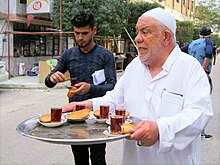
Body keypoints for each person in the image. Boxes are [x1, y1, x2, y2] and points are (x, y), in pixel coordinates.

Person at [62, 8, 213, 165]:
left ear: (166, 37)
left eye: (145, 32)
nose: (137, 38)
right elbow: (115, 99)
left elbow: (200, 113)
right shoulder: (135, 66)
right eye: (137, 32)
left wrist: (160, 130)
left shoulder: (190, 68)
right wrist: (87, 105)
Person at [45, 10, 116, 165]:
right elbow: (48, 81)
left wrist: (90, 88)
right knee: (79, 159)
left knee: (98, 158)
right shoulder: (68, 54)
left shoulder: (106, 55)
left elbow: (112, 87)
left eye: (84, 33)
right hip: (74, 115)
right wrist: (52, 77)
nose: (80, 38)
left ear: (94, 30)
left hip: (97, 115)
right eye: (77, 33)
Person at [181, 25, 214, 140]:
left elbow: (180, 52)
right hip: (201, 74)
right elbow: (209, 54)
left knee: (189, 100)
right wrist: (202, 69)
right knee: (202, 102)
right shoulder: (208, 42)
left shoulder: (192, 43)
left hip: (190, 74)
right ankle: (201, 132)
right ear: (209, 34)